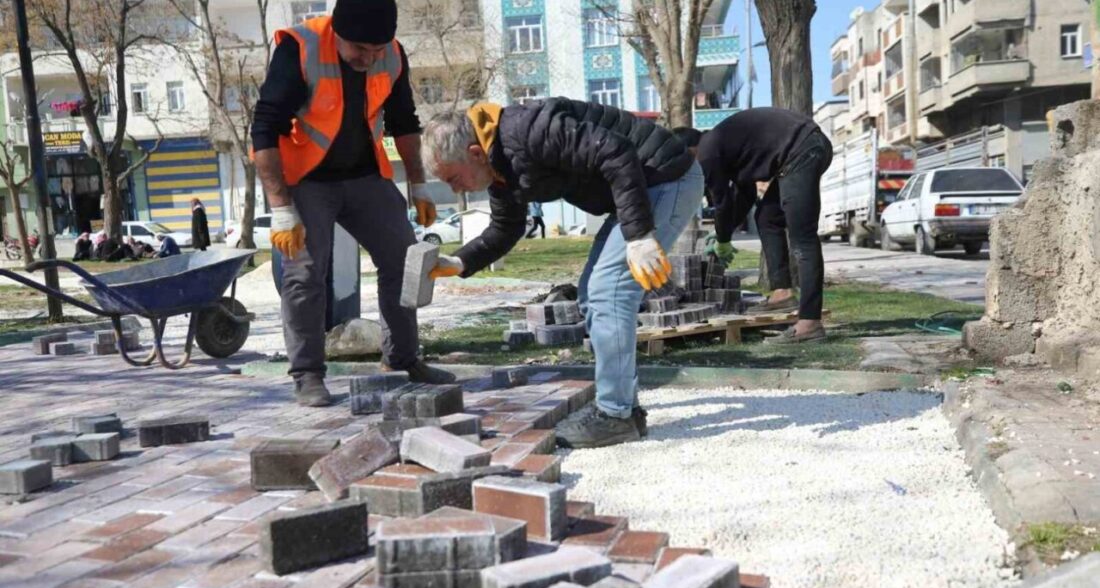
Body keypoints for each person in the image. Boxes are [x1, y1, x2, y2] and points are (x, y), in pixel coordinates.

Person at [422, 99, 703, 448]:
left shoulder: (530, 130)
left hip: (666, 178)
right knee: (592, 293)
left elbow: (615, 153)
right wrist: (460, 262)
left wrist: (639, 235)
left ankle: (614, 416)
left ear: (475, 152)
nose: (455, 190)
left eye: (453, 178)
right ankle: (624, 411)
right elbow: (506, 226)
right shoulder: (499, 168)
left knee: (608, 291)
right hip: (640, 189)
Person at [251, 0, 454, 407]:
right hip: (307, 179)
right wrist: (281, 207)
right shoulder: (300, 47)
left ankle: (402, 359)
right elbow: (264, 128)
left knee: (404, 258)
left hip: (364, 175)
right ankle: (308, 374)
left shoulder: (391, 54)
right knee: (305, 274)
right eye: (361, 49)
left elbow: (404, 120)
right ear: (338, 33)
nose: (370, 58)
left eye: (377, 50)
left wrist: (418, 184)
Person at [693, 108, 834, 345]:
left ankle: (810, 323)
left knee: (803, 237)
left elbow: (722, 203)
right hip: (804, 148)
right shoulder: (725, 146)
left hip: (803, 149)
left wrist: (723, 238)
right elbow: (744, 194)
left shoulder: (706, 152)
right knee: (767, 218)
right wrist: (722, 233)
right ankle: (782, 292)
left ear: (690, 151)